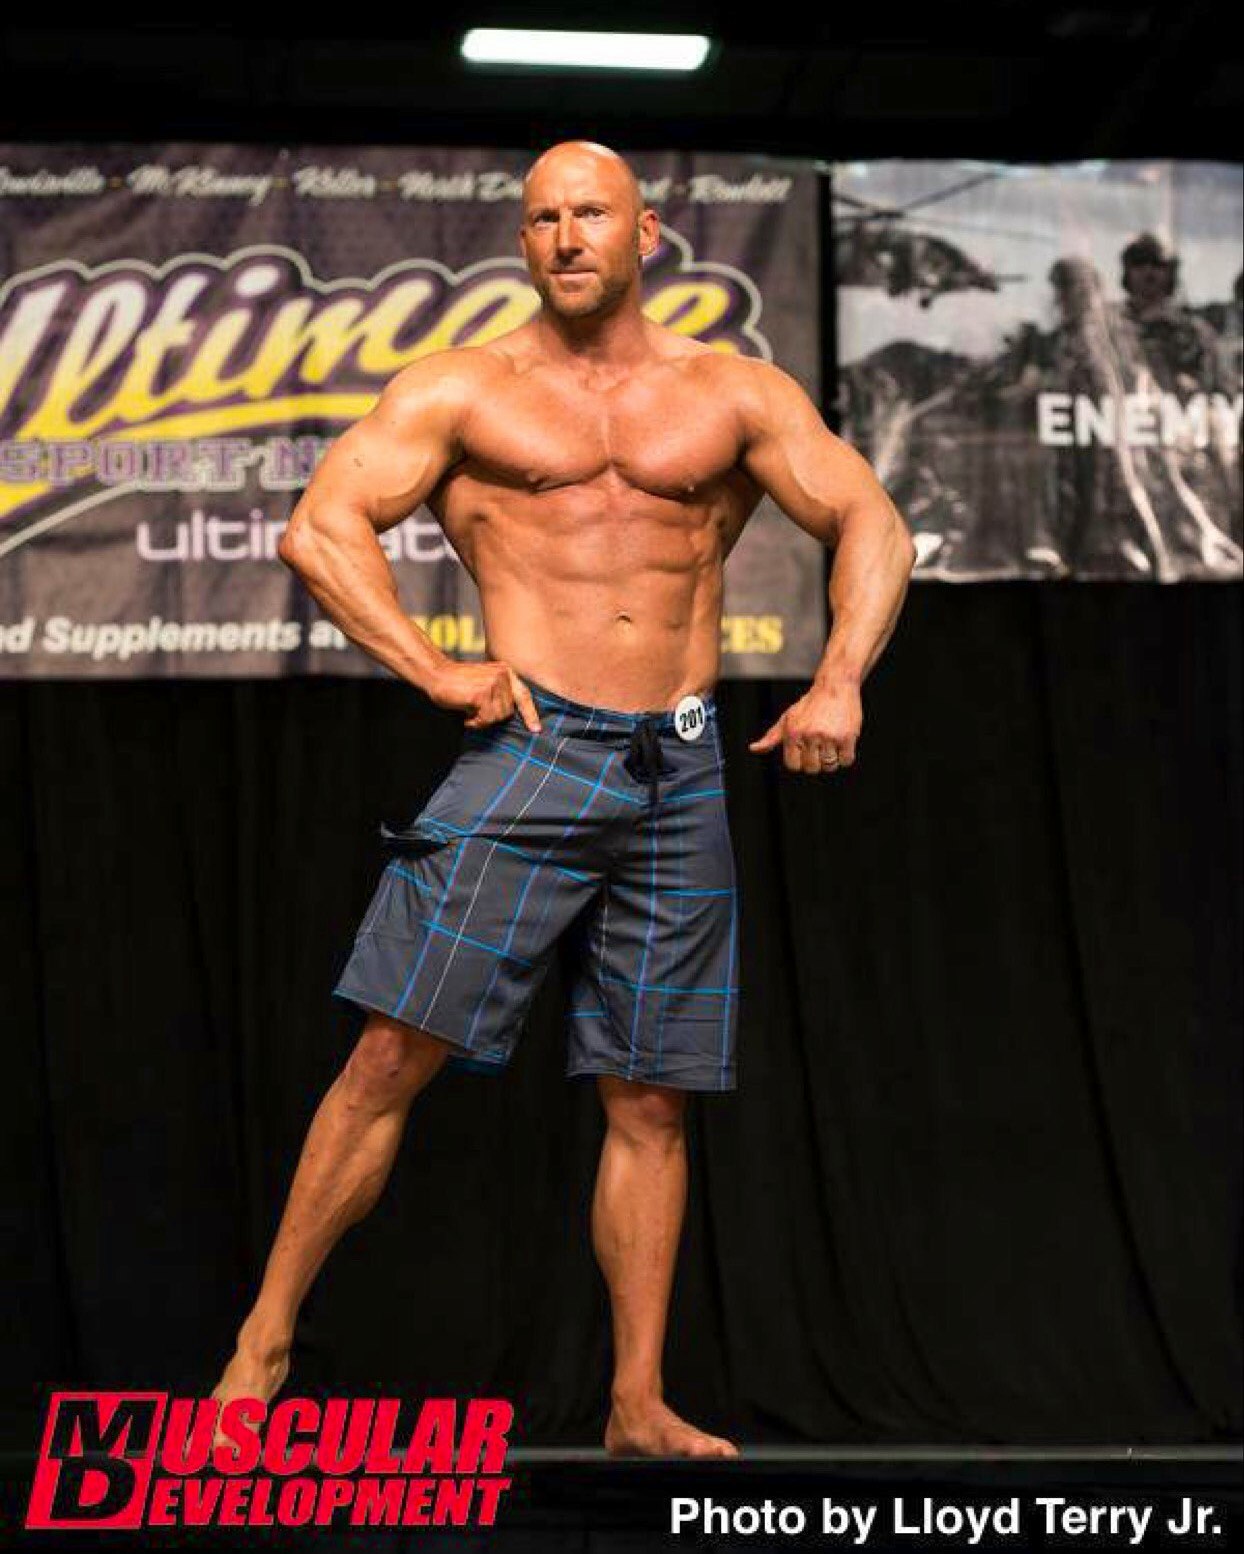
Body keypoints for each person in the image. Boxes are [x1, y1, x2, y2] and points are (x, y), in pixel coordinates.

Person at [211, 140, 916, 1458]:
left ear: (646, 234)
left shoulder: (733, 392)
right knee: (389, 1053)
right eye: (543, 218)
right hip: (533, 753)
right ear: (523, 241)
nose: (567, 236)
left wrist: (840, 680)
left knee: (651, 1095)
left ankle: (636, 1401)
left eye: (591, 213)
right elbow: (320, 527)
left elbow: (871, 518)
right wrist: (434, 668)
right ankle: (261, 1349)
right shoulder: (466, 388)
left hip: (679, 766)